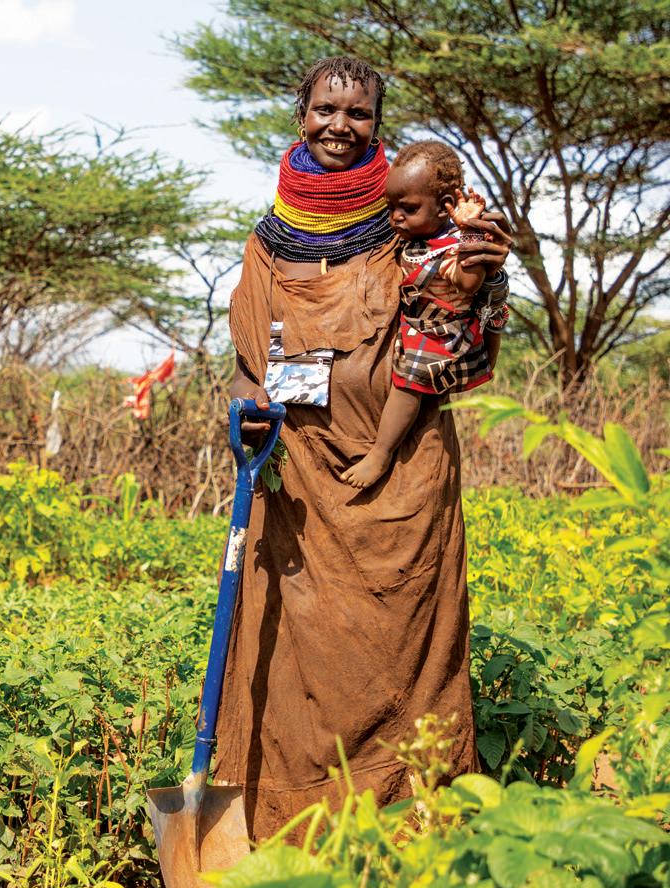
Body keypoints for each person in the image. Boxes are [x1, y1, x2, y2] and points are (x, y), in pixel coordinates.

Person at [213, 55, 513, 841]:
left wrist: (484, 277)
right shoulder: (267, 242)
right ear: (301, 115)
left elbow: (459, 329)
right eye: (325, 109)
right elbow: (247, 358)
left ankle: (409, 847)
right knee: (291, 667)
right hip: (296, 482)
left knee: (404, 661)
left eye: (359, 114)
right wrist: (244, 409)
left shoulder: (408, 226)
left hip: (398, 480)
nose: (340, 125)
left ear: (379, 124)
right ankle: (290, 840)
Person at [340, 142, 507, 489]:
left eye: (409, 208)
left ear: (445, 207)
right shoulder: (413, 239)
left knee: (409, 380)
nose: (396, 217)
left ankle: (381, 453)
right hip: (415, 324)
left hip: (440, 332)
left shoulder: (455, 246)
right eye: (391, 207)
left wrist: (471, 231)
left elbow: (468, 282)